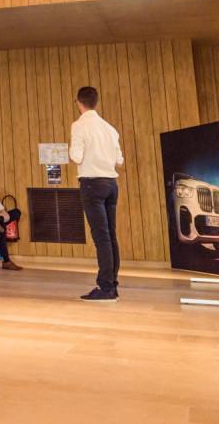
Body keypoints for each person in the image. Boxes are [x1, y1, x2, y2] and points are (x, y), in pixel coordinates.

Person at [69, 86, 124, 302]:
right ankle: (112, 284)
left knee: (101, 237)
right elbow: (119, 160)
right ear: (96, 102)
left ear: (79, 103)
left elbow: (76, 156)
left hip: (92, 184)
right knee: (110, 235)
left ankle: (106, 287)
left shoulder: (79, 125)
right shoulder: (110, 129)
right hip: (111, 184)